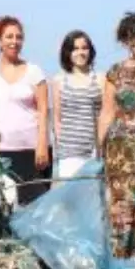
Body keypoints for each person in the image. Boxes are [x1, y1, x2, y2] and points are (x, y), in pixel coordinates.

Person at [99, 12, 135, 267]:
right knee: (121, 204)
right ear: (124, 40)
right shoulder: (115, 72)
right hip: (119, 146)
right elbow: (107, 112)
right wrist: (99, 150)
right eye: (132, 35)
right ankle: (122, 260)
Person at [0, 16, 50, 205]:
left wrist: (42, 144)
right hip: (0, 151)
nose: (14, 42)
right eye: (9, 37)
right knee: (4, 203)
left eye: (18, 37)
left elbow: (43, 110)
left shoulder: (34, 71)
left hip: (30, 150)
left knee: (34, 204)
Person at [51, 30, 102, 180]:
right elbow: (57, 118)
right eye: (75, 48)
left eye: (84, 48)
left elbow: (103, 116)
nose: (80, 52)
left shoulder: (100, 79)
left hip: (93, 152)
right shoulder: (59, 80)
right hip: (69, 154)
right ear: (68, 53)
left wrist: (99, 148)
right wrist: (61, 148)